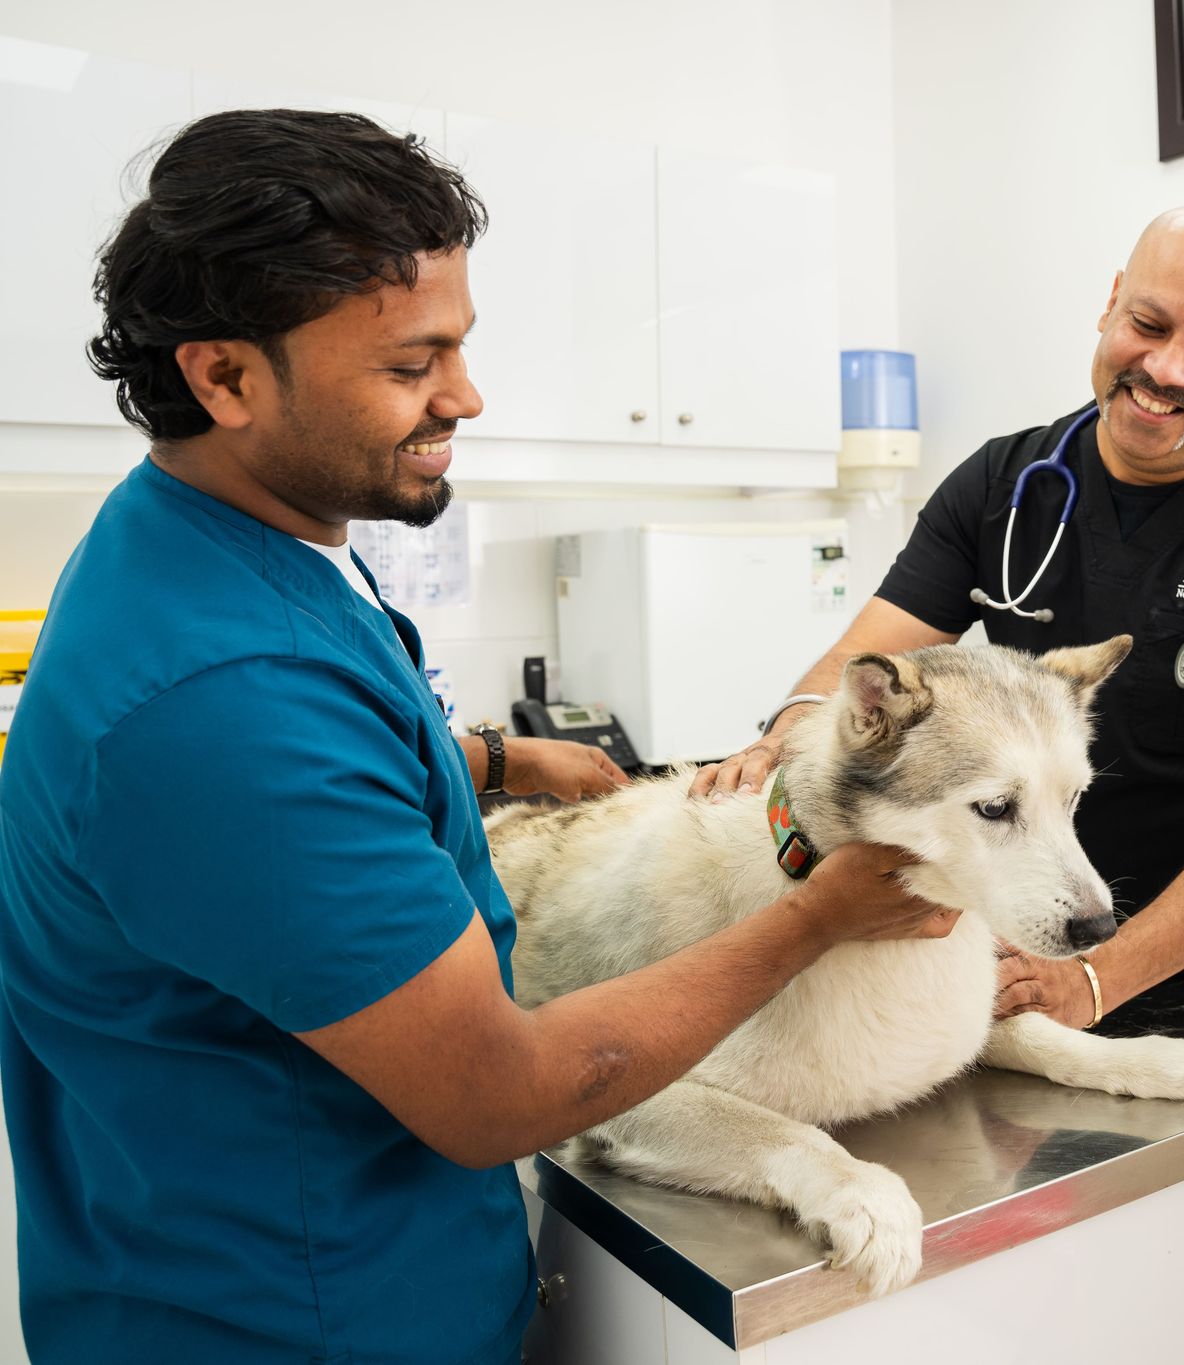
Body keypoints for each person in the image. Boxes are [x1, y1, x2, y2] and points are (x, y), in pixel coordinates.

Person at [0, 109, 955, 1365]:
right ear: (224, 377)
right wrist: (813, 920)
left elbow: (315, 778)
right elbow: (500, 1096)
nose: (465, 393)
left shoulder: (190, 546)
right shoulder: (224, 701)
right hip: (297, 1325)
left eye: (460, 345)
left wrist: (499, 762)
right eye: (411, 364)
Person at [695, 204, 1184, 1023]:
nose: (1165, 369)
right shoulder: (1002, 486)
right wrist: (781, 735)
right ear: (1111, 302)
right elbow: (866, 661)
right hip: (1019, 967)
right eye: (1149, 323)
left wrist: (1096, 978)